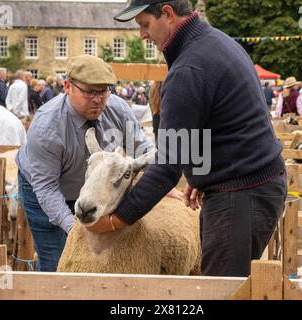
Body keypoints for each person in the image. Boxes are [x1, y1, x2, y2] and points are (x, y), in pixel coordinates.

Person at [84, 0, 287, 277]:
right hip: (254, 184)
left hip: (241, 194)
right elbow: (222, 120)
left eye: (145, 24)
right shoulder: (217, 42)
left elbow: (166, 169)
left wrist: (113, 221)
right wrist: (203, 175)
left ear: (167, 14)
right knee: (230, 284)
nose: (143, 34)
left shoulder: (187, 71)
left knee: (220, 291)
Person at [16, 54, 154, 272]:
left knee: (103, 260)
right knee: (58, 261)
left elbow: (143, 147)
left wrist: (163, 179)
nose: (98, 99)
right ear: (68, 86)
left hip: (98, 193)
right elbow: (46, 188)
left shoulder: (117, 108)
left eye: (104, 91)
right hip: (47, 189)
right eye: (90, 91)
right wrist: (77, 231)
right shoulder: (47, 127)